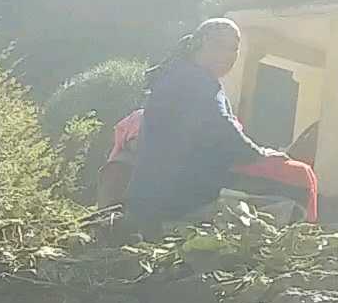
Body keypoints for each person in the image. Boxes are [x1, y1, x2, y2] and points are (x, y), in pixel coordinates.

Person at [125, 19, 320, 229]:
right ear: (199, 44)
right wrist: (260, 153)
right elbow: (224, 133)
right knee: (298, 175)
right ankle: (294, 236)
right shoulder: (198, 82)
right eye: (218, 45)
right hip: (178, 194)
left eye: (233, 49)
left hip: (155, 192)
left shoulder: (177, 75)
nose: (227, 55)